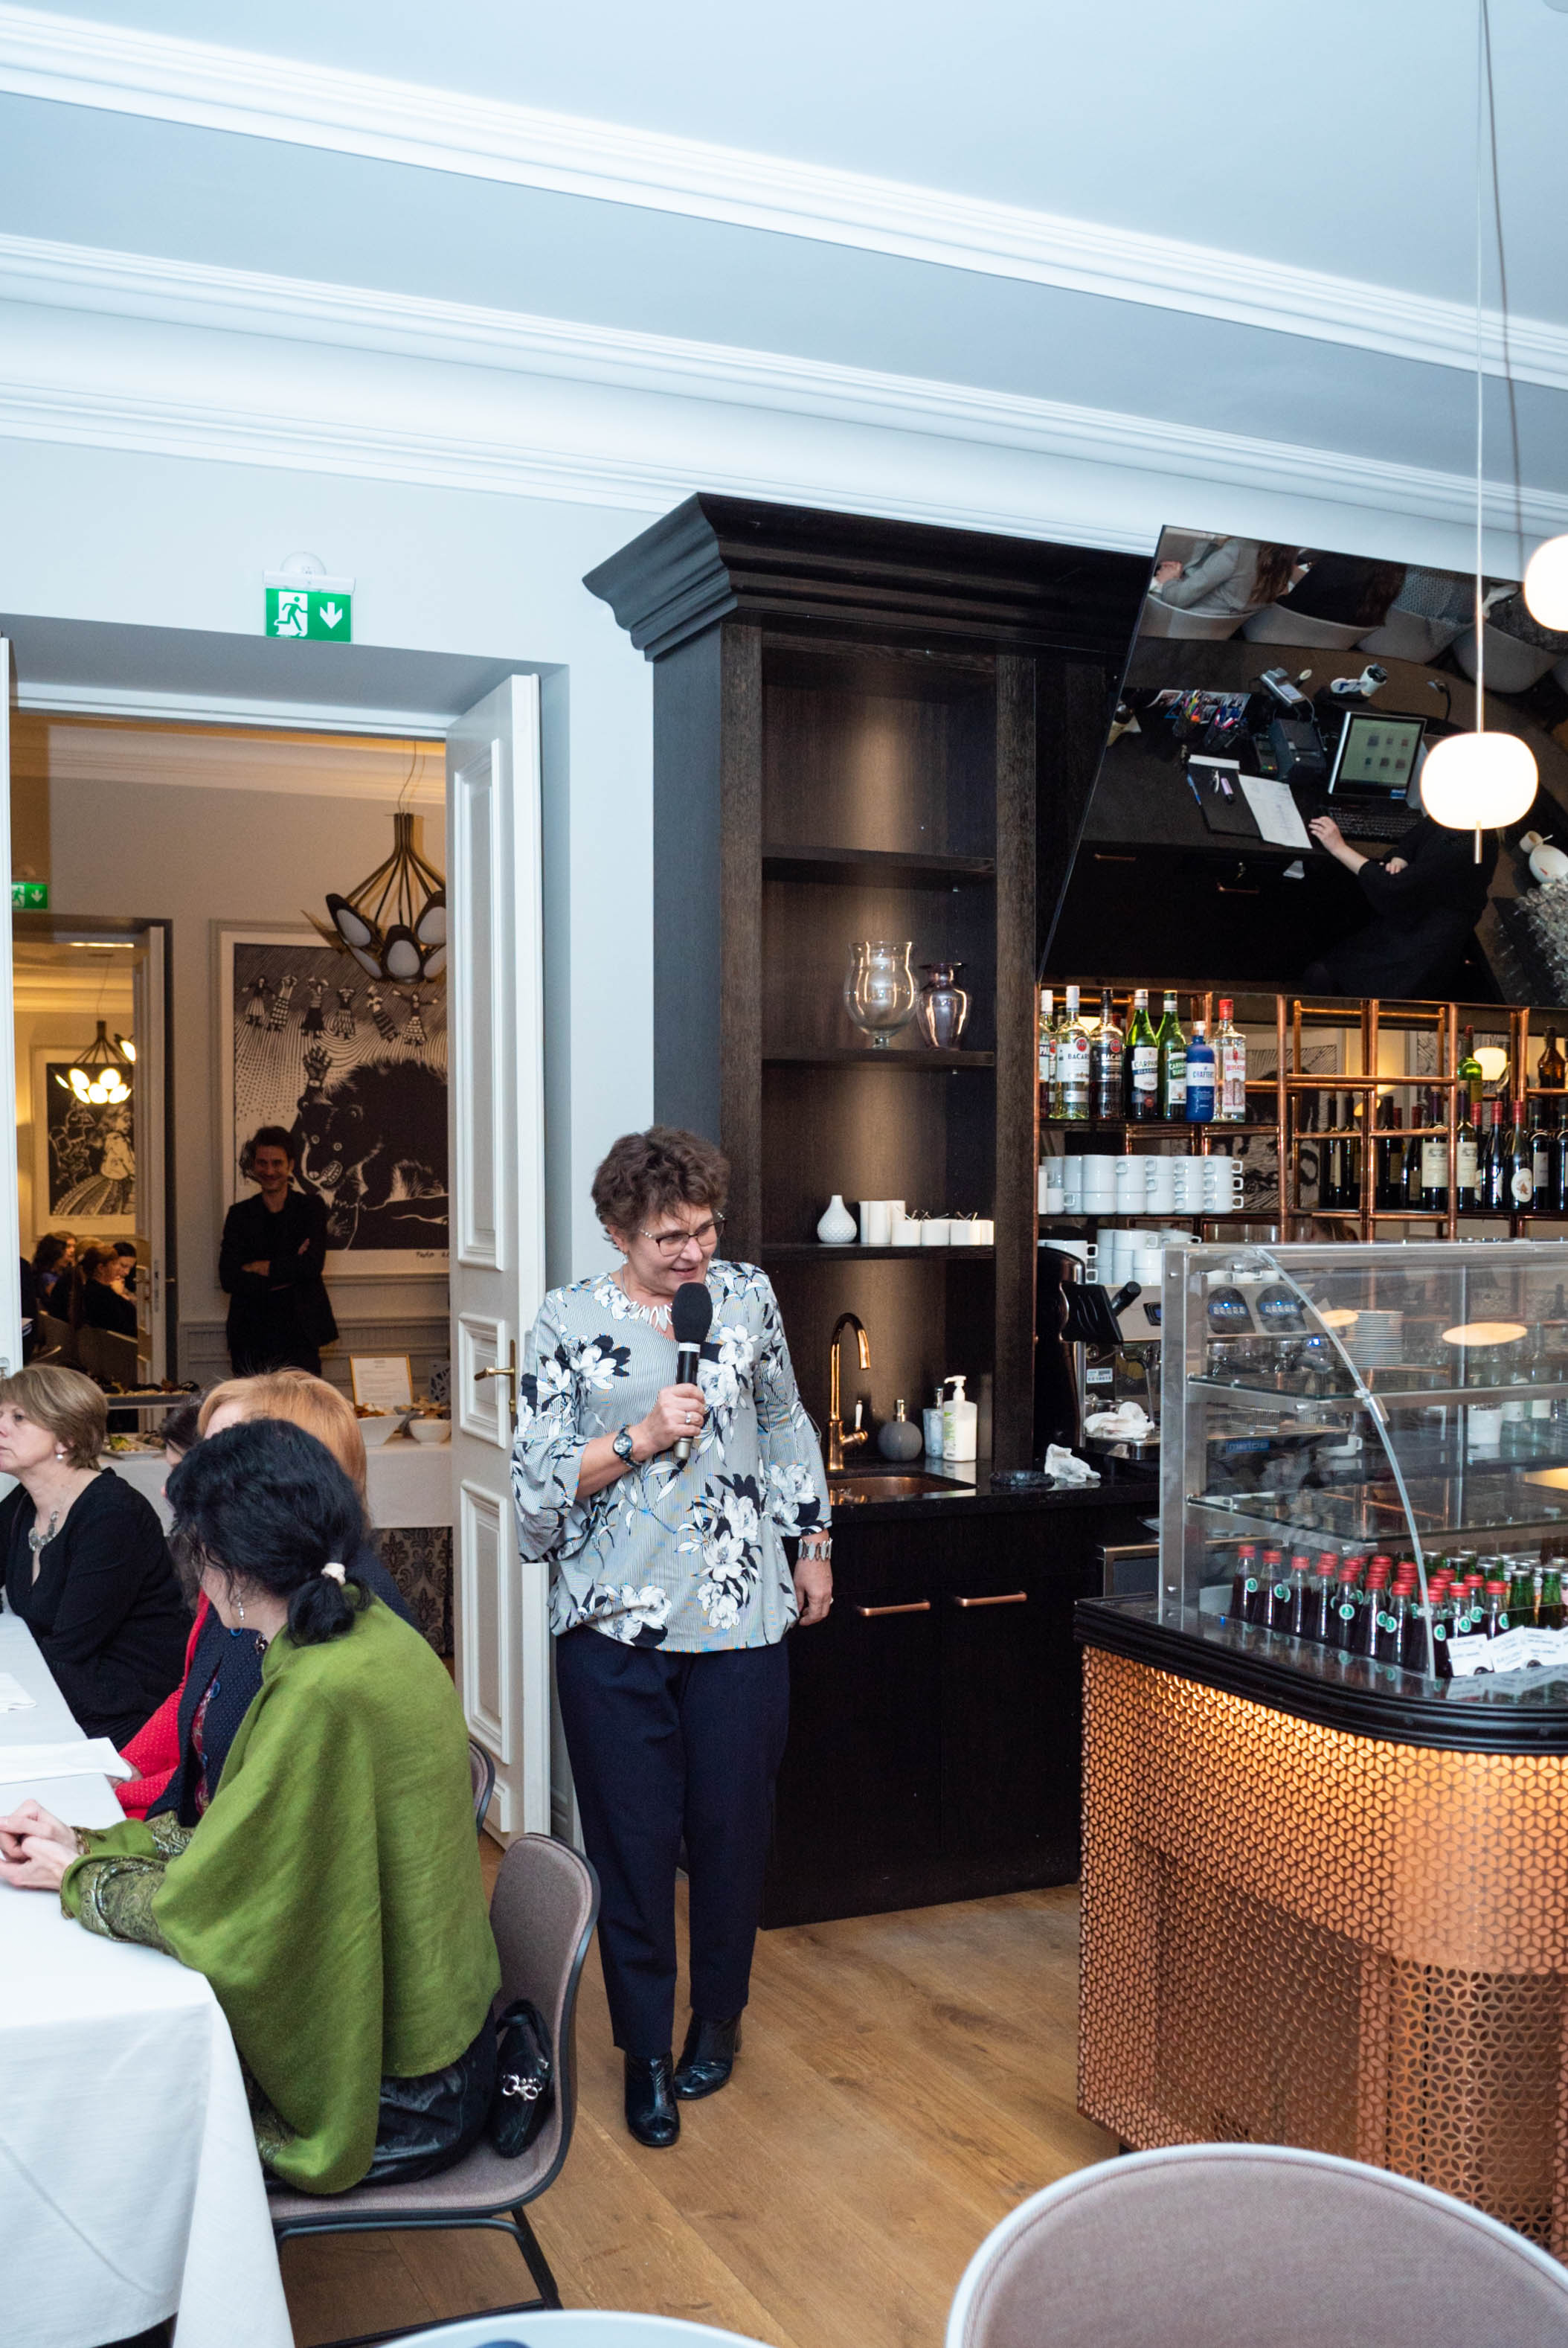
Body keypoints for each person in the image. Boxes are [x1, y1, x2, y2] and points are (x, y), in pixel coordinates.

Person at [0, 1419, 500, 2195]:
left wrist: (78, 1876)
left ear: (228, 1566)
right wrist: (90, 1839)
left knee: (99, 2110)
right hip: (439, 2033)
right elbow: (248, 1843)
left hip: (402, 2089)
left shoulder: (319, 1688)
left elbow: (220, 1915)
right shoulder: (359, 1626)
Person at [513, 1125, 831, 2150]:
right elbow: (534, 1489)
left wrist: (812, 1540)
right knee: (633, 1846)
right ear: (617, 1232)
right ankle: (645, 2050)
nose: (692, 1252)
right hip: (611, 1625)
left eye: (704, 1229)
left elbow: (782, 1422)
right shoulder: (566, 1319)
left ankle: (718, 2019)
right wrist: (640, 1435)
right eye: (667, 1238)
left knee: (734, 1837)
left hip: (740, 1619)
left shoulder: (745, 1297)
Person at [116, 1371, 417, 1821]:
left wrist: (113, 1820)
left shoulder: (338, 1616)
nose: (191, 1476)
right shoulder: (251, 1580)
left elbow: (258, 1812)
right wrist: (122, 1775)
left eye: (220, 1454)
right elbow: (200, 1733)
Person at [0, 1364, 186, 1742]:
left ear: (66, 1438)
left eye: (19, 1418)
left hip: (124, 1705)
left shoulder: (112, 1513)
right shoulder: (24, 1503)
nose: (2, 1426)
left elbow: (72, 1646)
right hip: (62, 1685)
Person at [1305, 757, 1500, 996]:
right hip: (1412, 917)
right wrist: (1401, 856)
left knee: (1324, 976)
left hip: (1421, 943)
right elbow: (1417, 835)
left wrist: (1338, 847)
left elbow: (1391, 887)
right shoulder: (1459, 812)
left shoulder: (1469, 843)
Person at [219, 1126, 337, 1376]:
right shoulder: (239, 1215)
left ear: (291, 1164)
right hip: (250, 1337)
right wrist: (291, 1267)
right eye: (262, 1163)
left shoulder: (311, 1208)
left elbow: (312, 1265)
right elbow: (229, 1278)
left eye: (277, 1163)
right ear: (254, 1166)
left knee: (303, 1402)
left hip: (301, 1335)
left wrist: (259, 1267)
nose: (269, 1171)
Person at [1146, 539, 1302, 629]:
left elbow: (1175, 599)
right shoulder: (1287, 556)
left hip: (1182, 621)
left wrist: (1170, 579)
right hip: (1218, 631)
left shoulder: (1238, 549)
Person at [73, 1241, 136, 1337]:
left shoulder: (91, 1288)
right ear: (101, 1268)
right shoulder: (103, 1294)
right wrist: (118, 1295)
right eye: (114, 1264)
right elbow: (122, 1327)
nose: (118, 1268)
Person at [30, 1231, 76, 1312]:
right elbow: (61, 1300)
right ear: (55, 1249)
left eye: (74, 1246)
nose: (73, 1250)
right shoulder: (46, 1277)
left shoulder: (65, 1271)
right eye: (68, 1247)